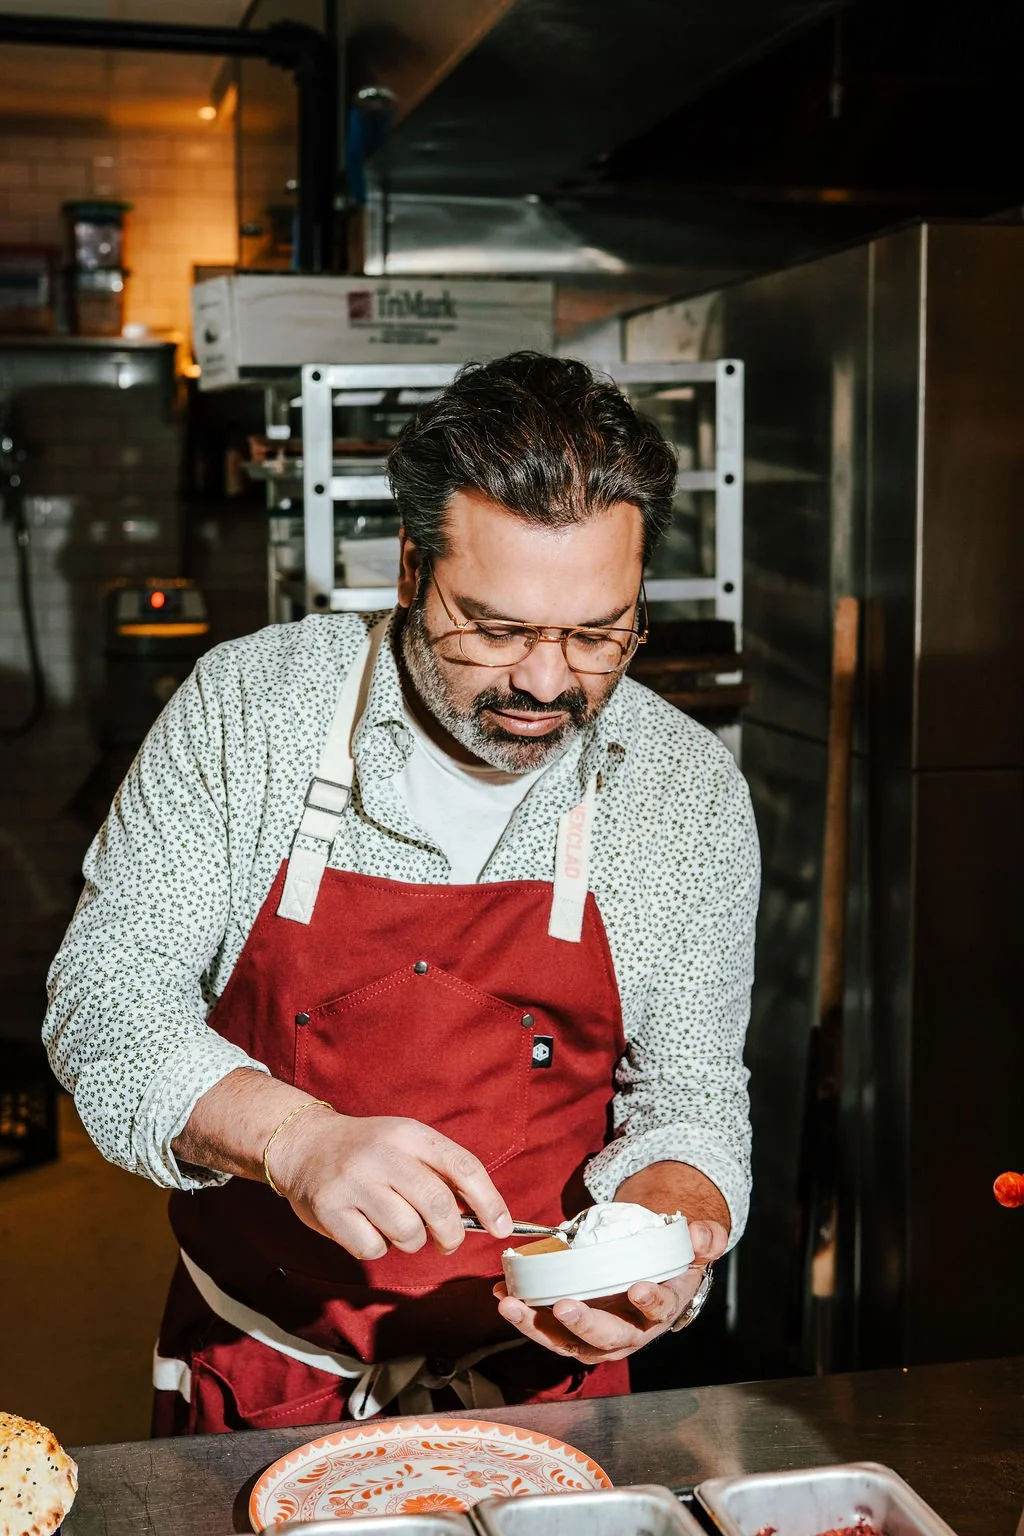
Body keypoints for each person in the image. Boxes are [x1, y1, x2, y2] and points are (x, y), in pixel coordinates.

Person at [44, 351, 760, 1435]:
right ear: (410, 570)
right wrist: (292, 1139)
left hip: (544, 1390)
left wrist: (671, 1226)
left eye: (599, 633)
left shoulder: (679, 787)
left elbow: (694, 1098)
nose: (547, 682)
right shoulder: (255, 710)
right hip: (268, 1374)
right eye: (498, 628)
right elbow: (103, 1000)